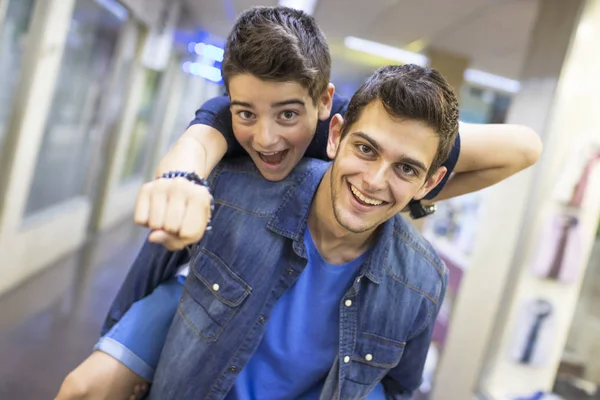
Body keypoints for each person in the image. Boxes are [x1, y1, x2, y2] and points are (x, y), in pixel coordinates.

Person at [56, 6, 542, 400]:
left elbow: (525, 148)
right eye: (365, 149)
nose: (266, 139)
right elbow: (208, 138)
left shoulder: (417, 279)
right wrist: (184, 173)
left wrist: (398, 195)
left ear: (325, 106)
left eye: (406, 168)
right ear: (336, 135)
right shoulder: (237, 188)